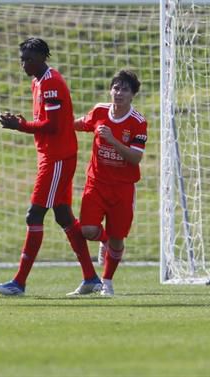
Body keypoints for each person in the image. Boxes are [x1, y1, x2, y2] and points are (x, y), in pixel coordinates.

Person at [0, 37, 100, 296]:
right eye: (22, 59)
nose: (24, 64)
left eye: (29, 59)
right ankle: (91, 277)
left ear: (43, 57)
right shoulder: (39, 81)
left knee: (34, 215)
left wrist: (19, 125)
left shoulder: (51, 83)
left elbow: (53, 125)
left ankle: (19, 283)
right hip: (52, 157)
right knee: (63, 216)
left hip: (57, 158)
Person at [74, 69, 147, 296]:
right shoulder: (99, 111)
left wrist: (112, 140)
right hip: (96, 183)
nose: (119, 93)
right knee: (86, 230)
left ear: (133, 94)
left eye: (125, 89)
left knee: (118, 240)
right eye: (116, 88)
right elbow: (79, 124)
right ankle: (102, 240)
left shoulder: (138, 122)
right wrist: (54, 122)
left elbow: (135, 157)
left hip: (123, 188)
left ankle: (107, 281)